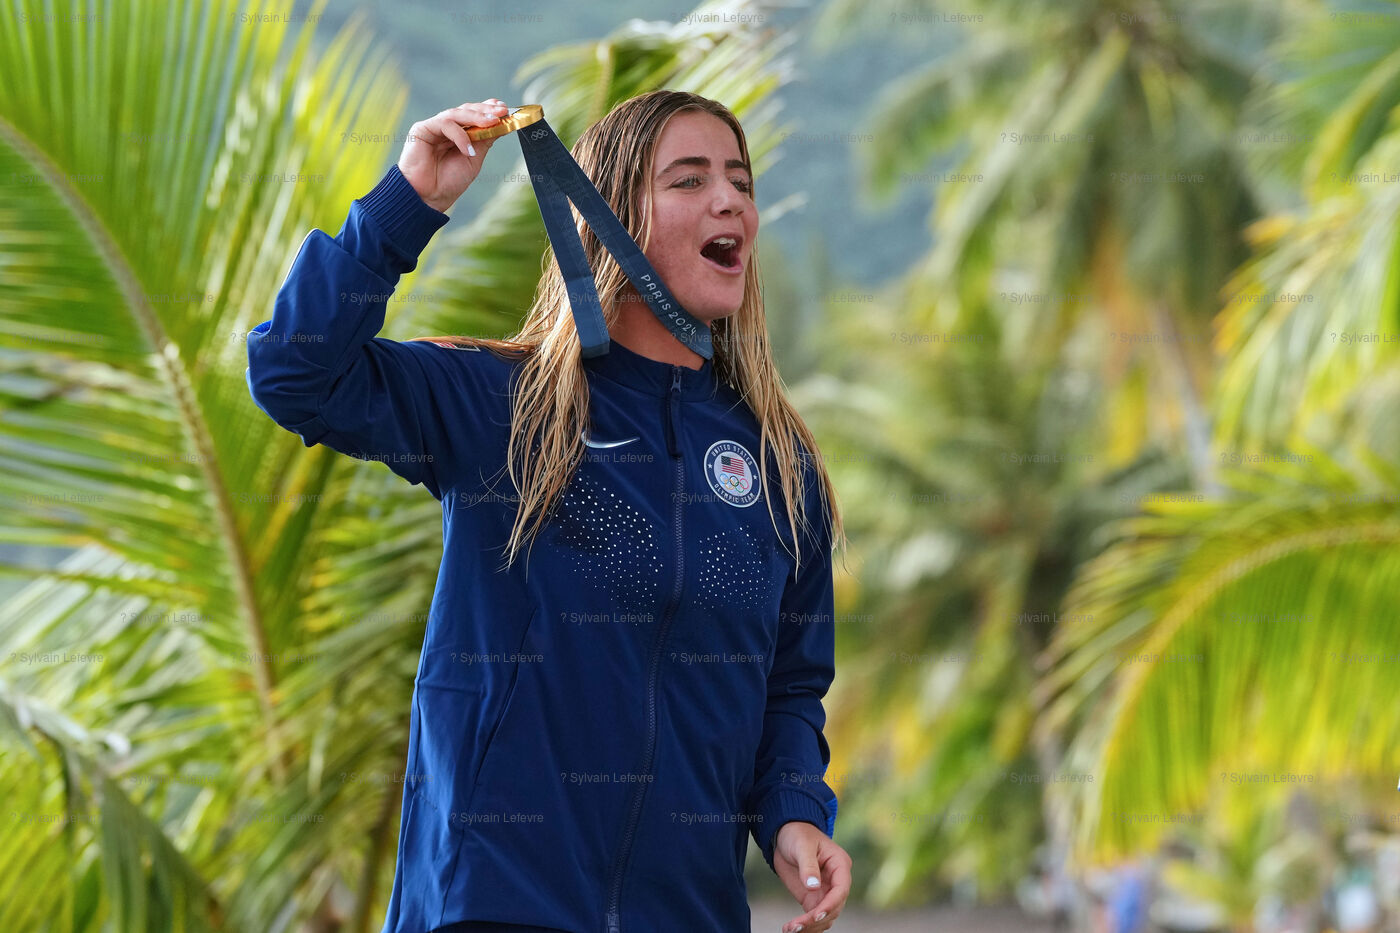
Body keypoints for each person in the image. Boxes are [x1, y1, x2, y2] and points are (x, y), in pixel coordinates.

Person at [246, 88, 852, 933]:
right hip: (492, 906)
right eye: (688, 180)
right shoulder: (507, 407)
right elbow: (294, 373)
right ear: (609, 219)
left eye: (740, 182)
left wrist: (792, 814)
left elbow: (789, 687)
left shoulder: (780, 464)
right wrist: (408, 202)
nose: (729, 201)